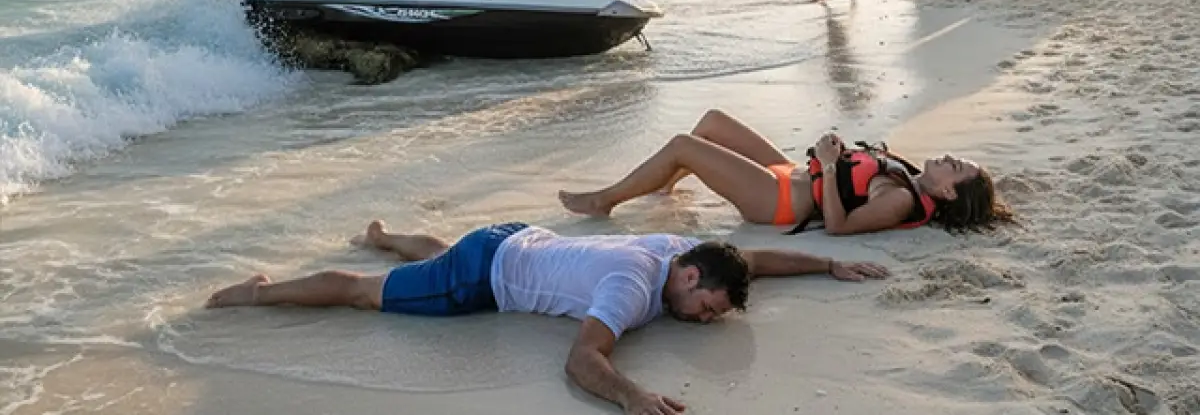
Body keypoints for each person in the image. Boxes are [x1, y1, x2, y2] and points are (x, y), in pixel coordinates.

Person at [206, 219, 889, 414]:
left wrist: (828, 265)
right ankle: (260, 291)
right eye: (706, 307)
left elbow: (755, 260)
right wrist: (632, 396)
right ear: (686, 277)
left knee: (432, 257)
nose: (705, 319)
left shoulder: (686, 251)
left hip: (514, 236)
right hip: (486, 276)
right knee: (365, 293)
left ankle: (387, 233)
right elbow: (580, 359)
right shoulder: (631, 285)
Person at [559, 109, 1014, 236]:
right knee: (714, 121)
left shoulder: (900, 201)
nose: (949, 157)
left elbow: (837, 226)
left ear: (949, 195)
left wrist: (833, 163)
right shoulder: (912, 176)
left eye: (955, 167)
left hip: (778, 202)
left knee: (684, 145)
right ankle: (666, 184)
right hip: (793, 171)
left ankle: (605, 201)